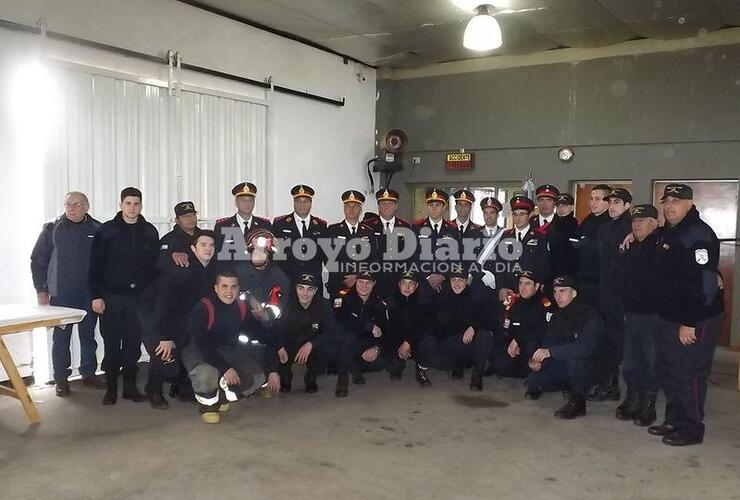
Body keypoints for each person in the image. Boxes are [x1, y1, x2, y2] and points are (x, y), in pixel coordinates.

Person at [648, 184, 724, 446]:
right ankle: (674, 419)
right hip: (670, 315)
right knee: (672, 370)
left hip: (695, 317)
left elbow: (704, 285)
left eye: (677, 201)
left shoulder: (697, 234)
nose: (670, 206)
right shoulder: (669, 232)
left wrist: (689, 322)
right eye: (666, 200)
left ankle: (691, 428)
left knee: (689, 372)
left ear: (690, 203)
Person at [88, 187, 160, 405]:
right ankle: (111, 389)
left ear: (141, 205)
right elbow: (95, 267)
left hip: (138, 299)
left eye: (136, 203)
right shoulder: (106, 231)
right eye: (128, 203)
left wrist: (151, 297)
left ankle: (130, 388)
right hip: (112, 297)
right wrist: (96, 296)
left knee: (132, 345)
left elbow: (155, 267)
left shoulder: (149, 231)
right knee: (111, 344)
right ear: (120, 205)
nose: (132, 208)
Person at [182, 269, 279, 424]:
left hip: (227, 350)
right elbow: (202, 344)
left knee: (257, 377)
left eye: (233, 287)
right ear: (216, 288)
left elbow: (262, 334)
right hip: (198, 351)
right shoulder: (202, 309)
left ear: (238, 288)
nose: (229, 291)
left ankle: (221, 393)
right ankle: (208, 406)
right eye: (224, 286)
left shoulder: (241, 308)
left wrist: (274, 367)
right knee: (206, 374)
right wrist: (225, 368)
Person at [30, 191, 104, 396]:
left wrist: (101, 293)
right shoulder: (52, 228)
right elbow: (38, 260)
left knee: (88, 335)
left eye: (78, 205)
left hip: (89, 294)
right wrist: (41, 290)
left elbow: (104, 263)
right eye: (68, 204)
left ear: (86, 207)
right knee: (61, 338)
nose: (72, 208)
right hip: (61, 295)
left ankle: (88, 372)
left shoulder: (97, 229)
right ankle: (61, 377)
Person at [140, 230, 220, 409]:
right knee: (164, 352)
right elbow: (164, 304)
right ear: (193, 248)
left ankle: (183, 388)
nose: (208, 249)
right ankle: (153, 390)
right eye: (203, 245)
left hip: (182, 316)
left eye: (211, 245)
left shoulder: (212, 269)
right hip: (154, 312)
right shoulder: (181, 270)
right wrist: (165, 336)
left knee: (187, 345)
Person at [526, 276, 603, 419]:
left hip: (589, 367)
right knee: (532, 381)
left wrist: (550, 352)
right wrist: (538, 361)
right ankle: (568, 386)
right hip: (564, 363)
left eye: (563, 291)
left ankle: (578, 402)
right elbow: (548, 343)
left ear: (574, 293)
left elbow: (584, 348)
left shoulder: (591, 316)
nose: (557, 296)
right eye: (555, 292)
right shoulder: (558, 316)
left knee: (576, 358)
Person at [616, 204, 661, 426]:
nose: (637, 225)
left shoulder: (663, 245)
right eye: (634, 221)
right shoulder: (631, 247)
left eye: (642, 221)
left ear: (655, 223)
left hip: (654, 316)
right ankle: (634, 398)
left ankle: (649, 404)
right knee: (631, 362)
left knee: (651, 361)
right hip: (632, 313)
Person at [418, 265, 493, 391]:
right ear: (449, 282)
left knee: (484, 335)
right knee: (438, 361)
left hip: (469, 344)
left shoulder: (475, 298)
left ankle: (477, 375)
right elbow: (431, 323)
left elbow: (489, 318)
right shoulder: (441, 298)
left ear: (466, 282)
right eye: (454, 280)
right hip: (450, 344)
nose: (457, 284)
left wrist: (474, 327)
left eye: (461, 280)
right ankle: (456, 365)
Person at [590, 187, 633, 401]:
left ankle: (614, 387)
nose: (613, 206)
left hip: (621, 297)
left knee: (618, 343)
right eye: (611, 202)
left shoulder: (632, 228)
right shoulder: (605, 228)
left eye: (617, 202)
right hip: (604, 293)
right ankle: (609, 383)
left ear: (627, 206)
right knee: (606, 340)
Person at [275, 273, 348, 396]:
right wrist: (279, 347)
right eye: (301, 288)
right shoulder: (286, 304)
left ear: (315, 291)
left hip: (313, 344)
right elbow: (275, 330)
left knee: (329, 349)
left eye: (310, 289)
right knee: (275, 350)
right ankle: (285, 376)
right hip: (291, 343)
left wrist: (311, 344)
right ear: (296, 288)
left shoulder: (324, 304)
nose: (305, 293)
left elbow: (331, 331)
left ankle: (311, 378)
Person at [490, 270, 553, 379]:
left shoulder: (544, 304)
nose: (523, 288)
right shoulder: (515, 303)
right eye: (521, 283)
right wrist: (511, 343)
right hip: (515, 348)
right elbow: (507, 327)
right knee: (500, 363)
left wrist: (518, 341)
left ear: (536, 286)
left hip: (533, 347)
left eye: (527, 284)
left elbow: (539, 331)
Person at [333, 271, 391, 386]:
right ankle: (347, 372)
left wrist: (376, 348)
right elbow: (339, 321)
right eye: (361, 282)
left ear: (374, 284)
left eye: (368, 283)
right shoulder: (342, 297)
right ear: (355, 282)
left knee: (380, 363)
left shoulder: (380, 303)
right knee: (347, 339)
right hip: (344, 341)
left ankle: (352, 365)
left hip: (364, 343)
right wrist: (368, 326)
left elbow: (386, 331)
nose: (364, 286)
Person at [363, 189, 413, 300]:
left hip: (397, 281)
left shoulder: (405, 227)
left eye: (390, 203)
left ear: (396, 206)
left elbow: (409, 257)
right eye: (383, 203)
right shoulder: (367, 226)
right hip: (373, 281)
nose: (386, 207)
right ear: (378, 206)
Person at [385, 271, 433, 386]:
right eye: (403, 283)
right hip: (396, 342)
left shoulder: (425, 303)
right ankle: (397, 366)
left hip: (415, 341)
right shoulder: (390, 302)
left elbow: (424, 327)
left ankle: (421, 369)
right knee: (393, 367)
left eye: (411, 283)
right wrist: (400, 345)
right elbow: (388, 328)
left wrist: (408, 343)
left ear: (416, 286)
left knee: (430, 342)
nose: (407, 287)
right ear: (398, 285)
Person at [325, 190, 377, 297]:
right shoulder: (332, 230)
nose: (351, 209)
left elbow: (372, 259)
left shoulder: (368, 232)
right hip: (338, 284)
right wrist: (345, 277)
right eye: (348, 206)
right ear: (344, 208)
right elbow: (327, 258)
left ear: (361, 209)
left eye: (355, 206)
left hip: (361, 286)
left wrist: (357, 276)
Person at [271, 184, 327, 283]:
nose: (302, 205)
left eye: (305, 201)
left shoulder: (321, 226)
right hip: (287, 282)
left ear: (311, 203)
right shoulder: (279, 224)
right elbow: (274, 255)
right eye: (298, 201)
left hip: (312, 283)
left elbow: (326, 256)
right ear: (294, 203)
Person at [412, 188, 460, 298]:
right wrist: (428, 277)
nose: (434, 208)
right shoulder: (416, 228)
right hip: (422, 284)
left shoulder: (452, 229)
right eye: (431, 205)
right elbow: (412, 256)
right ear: (427, 207)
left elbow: (456, 257)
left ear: (444, 207)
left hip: (445, 284)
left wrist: (442, 275)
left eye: (437, 205)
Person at [498, 195, 549, 298]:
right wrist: (501, 286)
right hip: (509, 290)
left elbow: (544, 265)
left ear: (529, 215)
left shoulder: (540, 237)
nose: (518, 218)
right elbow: (500, 263)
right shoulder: (506, 236)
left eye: (522, 214)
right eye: (515, 214)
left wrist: (536, 287)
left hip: (531, 291)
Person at [575, 184, 611, 309]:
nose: (593, 202)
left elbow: (608, 249)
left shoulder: (611, 221)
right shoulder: (588, 220)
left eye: (597, 199)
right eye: (591, 198)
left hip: (602, 282)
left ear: (607, 201)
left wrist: (589, 245)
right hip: (584, 279)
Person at [214, 182, 272, 254]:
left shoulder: (265, 225)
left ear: (254, 202)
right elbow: (217, 254)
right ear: (236, 202)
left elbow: (269, 253)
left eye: (250, 200)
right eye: (243, 200)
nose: (247, 203)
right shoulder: (222, 226)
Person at [158, 201, 202, 269]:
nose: (190, 218)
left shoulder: (204, 237)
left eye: (192, 214)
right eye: (185, 216)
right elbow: (160, 262)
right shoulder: (168, 240)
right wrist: (172, 256)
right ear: (177, 220)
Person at [549, 193, 580, 279]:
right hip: (552, 270)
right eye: (559, 205)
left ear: (572, 207)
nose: (561, 208)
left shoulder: (575, 226)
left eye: (565, 205)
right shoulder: (552, 225)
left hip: (570, 272)